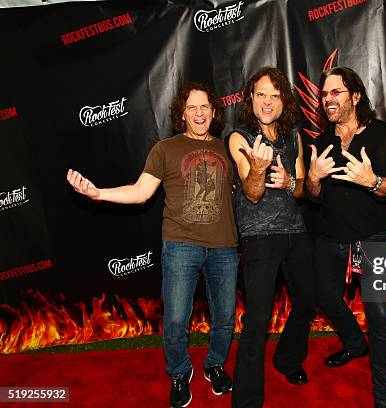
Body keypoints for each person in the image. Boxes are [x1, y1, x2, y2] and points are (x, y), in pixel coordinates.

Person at [67, 82, 238, 407]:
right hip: (180, 246)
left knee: (226, 317)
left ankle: (214, 364)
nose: (199, 113)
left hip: (224, 247)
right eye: (192, 107)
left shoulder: (227, 149)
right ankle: (178, 372)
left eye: (205, 107)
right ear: (182, 114)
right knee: (175, 318)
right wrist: (98, 193)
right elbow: (141, 192)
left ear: (214, 112)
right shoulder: (165, 149)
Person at [305, 67, 386, 408]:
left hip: (371, 239)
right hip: (328, 240)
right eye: (325, 94)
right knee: (326, 298)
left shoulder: (381, 135)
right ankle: (353, 342)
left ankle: (385, 396)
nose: (328, 99)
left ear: (355, 96)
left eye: (336, 92)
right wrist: (313, 178)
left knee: (380, 317)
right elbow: (312, 196)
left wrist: (371, 181)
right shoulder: (321, 142)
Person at [228, 67, 316, 408]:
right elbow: (250, 194)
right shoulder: (239, 138)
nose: (268, 101)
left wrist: (290, 183)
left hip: (295, 231)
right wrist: (260, 170)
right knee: (258, 319)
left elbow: (302, 190)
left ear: (283, 101)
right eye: (262, 94)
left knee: (307, 301)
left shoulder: (294, 135)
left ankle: (287, 359)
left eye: (275, 95)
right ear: (251, 98)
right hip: (259, 237)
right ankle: (247, 401)